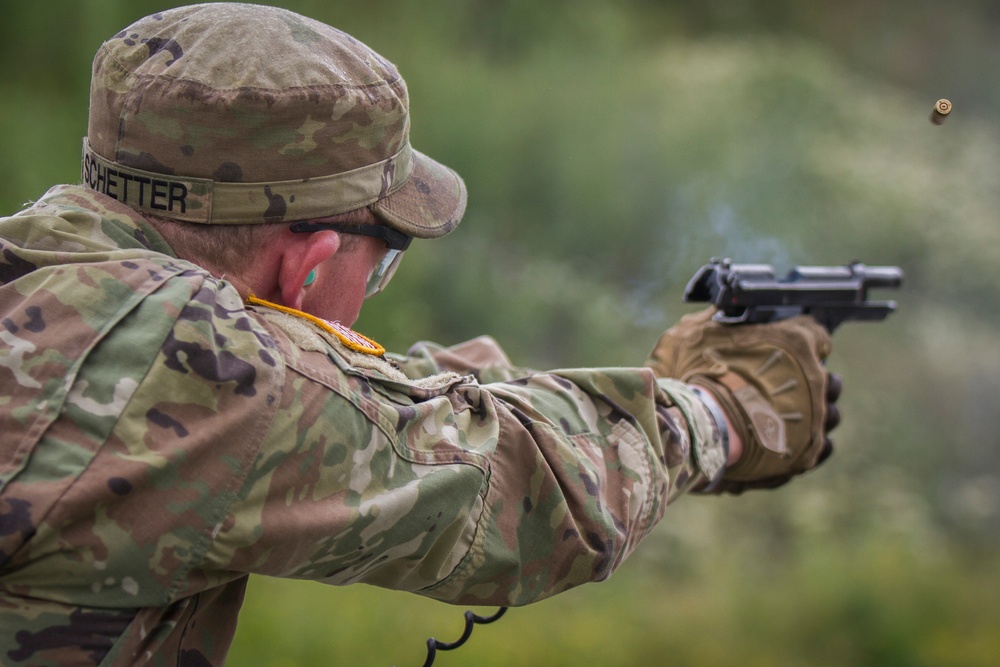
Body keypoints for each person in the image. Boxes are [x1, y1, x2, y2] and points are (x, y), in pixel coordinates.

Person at [0, 4, 838, 665]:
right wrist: (727, 409)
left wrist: (528, 387)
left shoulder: (45, 272)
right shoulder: (202, 372)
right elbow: (539, 498)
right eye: (384, 257)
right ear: (311, 266)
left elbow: (348, 402)